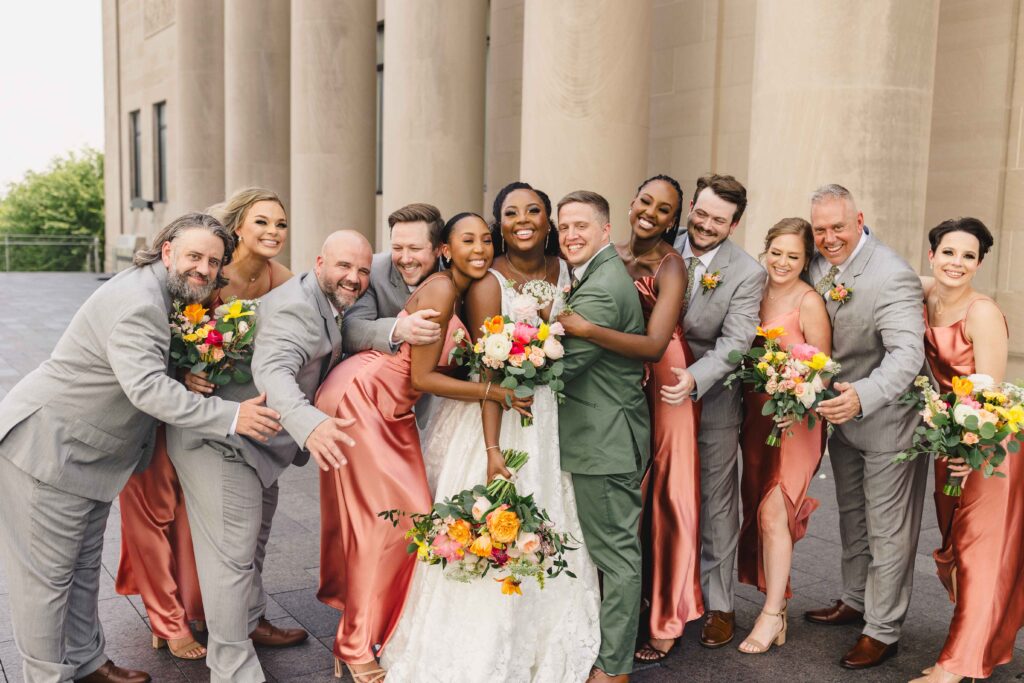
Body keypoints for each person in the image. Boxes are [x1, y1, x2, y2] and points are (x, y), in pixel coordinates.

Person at [0, 213, 281, 683]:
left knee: (84, 567)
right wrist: (234, 416)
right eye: (194, 256)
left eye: (213, 262)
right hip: (47, 450)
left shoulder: (160, 289)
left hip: (88, 453)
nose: (203, 269)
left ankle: (87, 664)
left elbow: (139, 364)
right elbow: (147, 390)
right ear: (167, 250)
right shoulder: (140, 302)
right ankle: (45, 676)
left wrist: (179, 374)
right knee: (46, 582)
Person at [382, 182, 601, 683]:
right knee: (494, 513)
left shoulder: (562, 268)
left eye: (533, 211)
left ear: (547, 220)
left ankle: (542, 633)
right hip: (501, 410)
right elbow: (489, 371)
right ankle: (479, 644)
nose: (519, 221)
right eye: (508, 214)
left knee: (545, 505)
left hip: (541, 411)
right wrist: (493, 445)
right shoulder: (484, 284)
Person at [316, 213, 532, 683]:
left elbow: (441, 369)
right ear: (446, 250)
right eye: (467, 241)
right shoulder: (438, 290)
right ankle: (355, 646)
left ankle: (359, 631)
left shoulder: (457, 291)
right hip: (365, 399)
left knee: (392, 520)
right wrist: (493, 393)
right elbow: (420, 376)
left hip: (391, 409)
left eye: (485, 241)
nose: (478, 249)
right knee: (396, 524)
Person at [167, 229, 369, 683]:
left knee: (249, 550)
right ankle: (233, 669)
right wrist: (310, 423)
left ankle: (251, 621)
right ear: (319, 263)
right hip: (223, 443)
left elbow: (350, 331)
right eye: (343, 266)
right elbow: (273, 370)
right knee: (233, 562)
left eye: (361, 269)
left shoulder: (326, 301)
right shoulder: (298, 307)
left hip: (259, 446)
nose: (353, 277)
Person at [116, 188, 295, 661]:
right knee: (154, 507)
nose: (273, 232)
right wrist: (182, 373)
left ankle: (223, 615)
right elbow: (163, 335)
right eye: (262, 222)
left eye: (280, 224)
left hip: (224, 418)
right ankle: (165, 620)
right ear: (239, 228)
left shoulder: (283, 281)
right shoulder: (204, 275)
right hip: (162, 405)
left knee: (207, 523)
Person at [556, 175, 703, 663]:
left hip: (658, 378)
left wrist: (587, 329)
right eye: (646, 201)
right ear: (631, 204)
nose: (652, 213)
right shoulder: (606, 258)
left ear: (672, 219)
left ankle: (625, 652)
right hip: (616, 391)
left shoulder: (669, 265)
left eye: (664, 210)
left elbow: (653, 345)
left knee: (655, 509)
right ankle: (608, 635)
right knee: (617, 530)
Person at [802, 184, 927, 670]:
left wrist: (864, 396)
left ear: (859, 219)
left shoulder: (891, 275)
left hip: (890, 420)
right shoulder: (816, 264)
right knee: (853, 518)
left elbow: (907, 355)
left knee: (888, 530)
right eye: (820, 229)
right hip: (843, 417)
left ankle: (883, 630)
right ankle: (854, 600)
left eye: (838, 227)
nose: (829, 238)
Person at [912, 217, 1024, 683]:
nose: (956, 263)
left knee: (979, 552)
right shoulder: (926, 294)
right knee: (955, 548)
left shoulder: (981, 313)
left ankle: (955, 665)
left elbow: (992, 398)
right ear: (933, 254)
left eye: (968, 256)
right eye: (948, 252)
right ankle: (978, 642)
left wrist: (969, 448)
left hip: (989, 447)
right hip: (948, 439)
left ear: (980, 264)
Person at [662, 174, 765, 648]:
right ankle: (656, 595)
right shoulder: (662, 247)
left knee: (716, 499)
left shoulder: (747, 272)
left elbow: (736, 343)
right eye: (700, 213)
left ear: (734, 224)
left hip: (713, 397)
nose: (704, 225)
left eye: (717, 220)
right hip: (650, 395)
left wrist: (695, 378)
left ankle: (720, 604)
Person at [555, 190, 651, 683]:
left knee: (616, 554)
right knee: (610, 551)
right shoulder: (596, 273)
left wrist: (488, 374)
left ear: (605, 231)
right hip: (605, 431)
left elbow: (562, 368)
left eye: (581, 226)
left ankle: (615, 668)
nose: (570, 235)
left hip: (605, 438)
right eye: (564, 226)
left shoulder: (601, 288)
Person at [736, 218, 830, 654]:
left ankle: (770, 616)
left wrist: (797, 399)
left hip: (796, 422)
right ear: (766, 248)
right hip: (756, 417)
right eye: (777, 252)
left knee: (776, 512)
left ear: (806, 260)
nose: (783, 262)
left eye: (794, 256)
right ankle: (779, 607)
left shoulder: (809, 302)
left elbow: (825, 369)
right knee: (759, 510)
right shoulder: (754, 290)